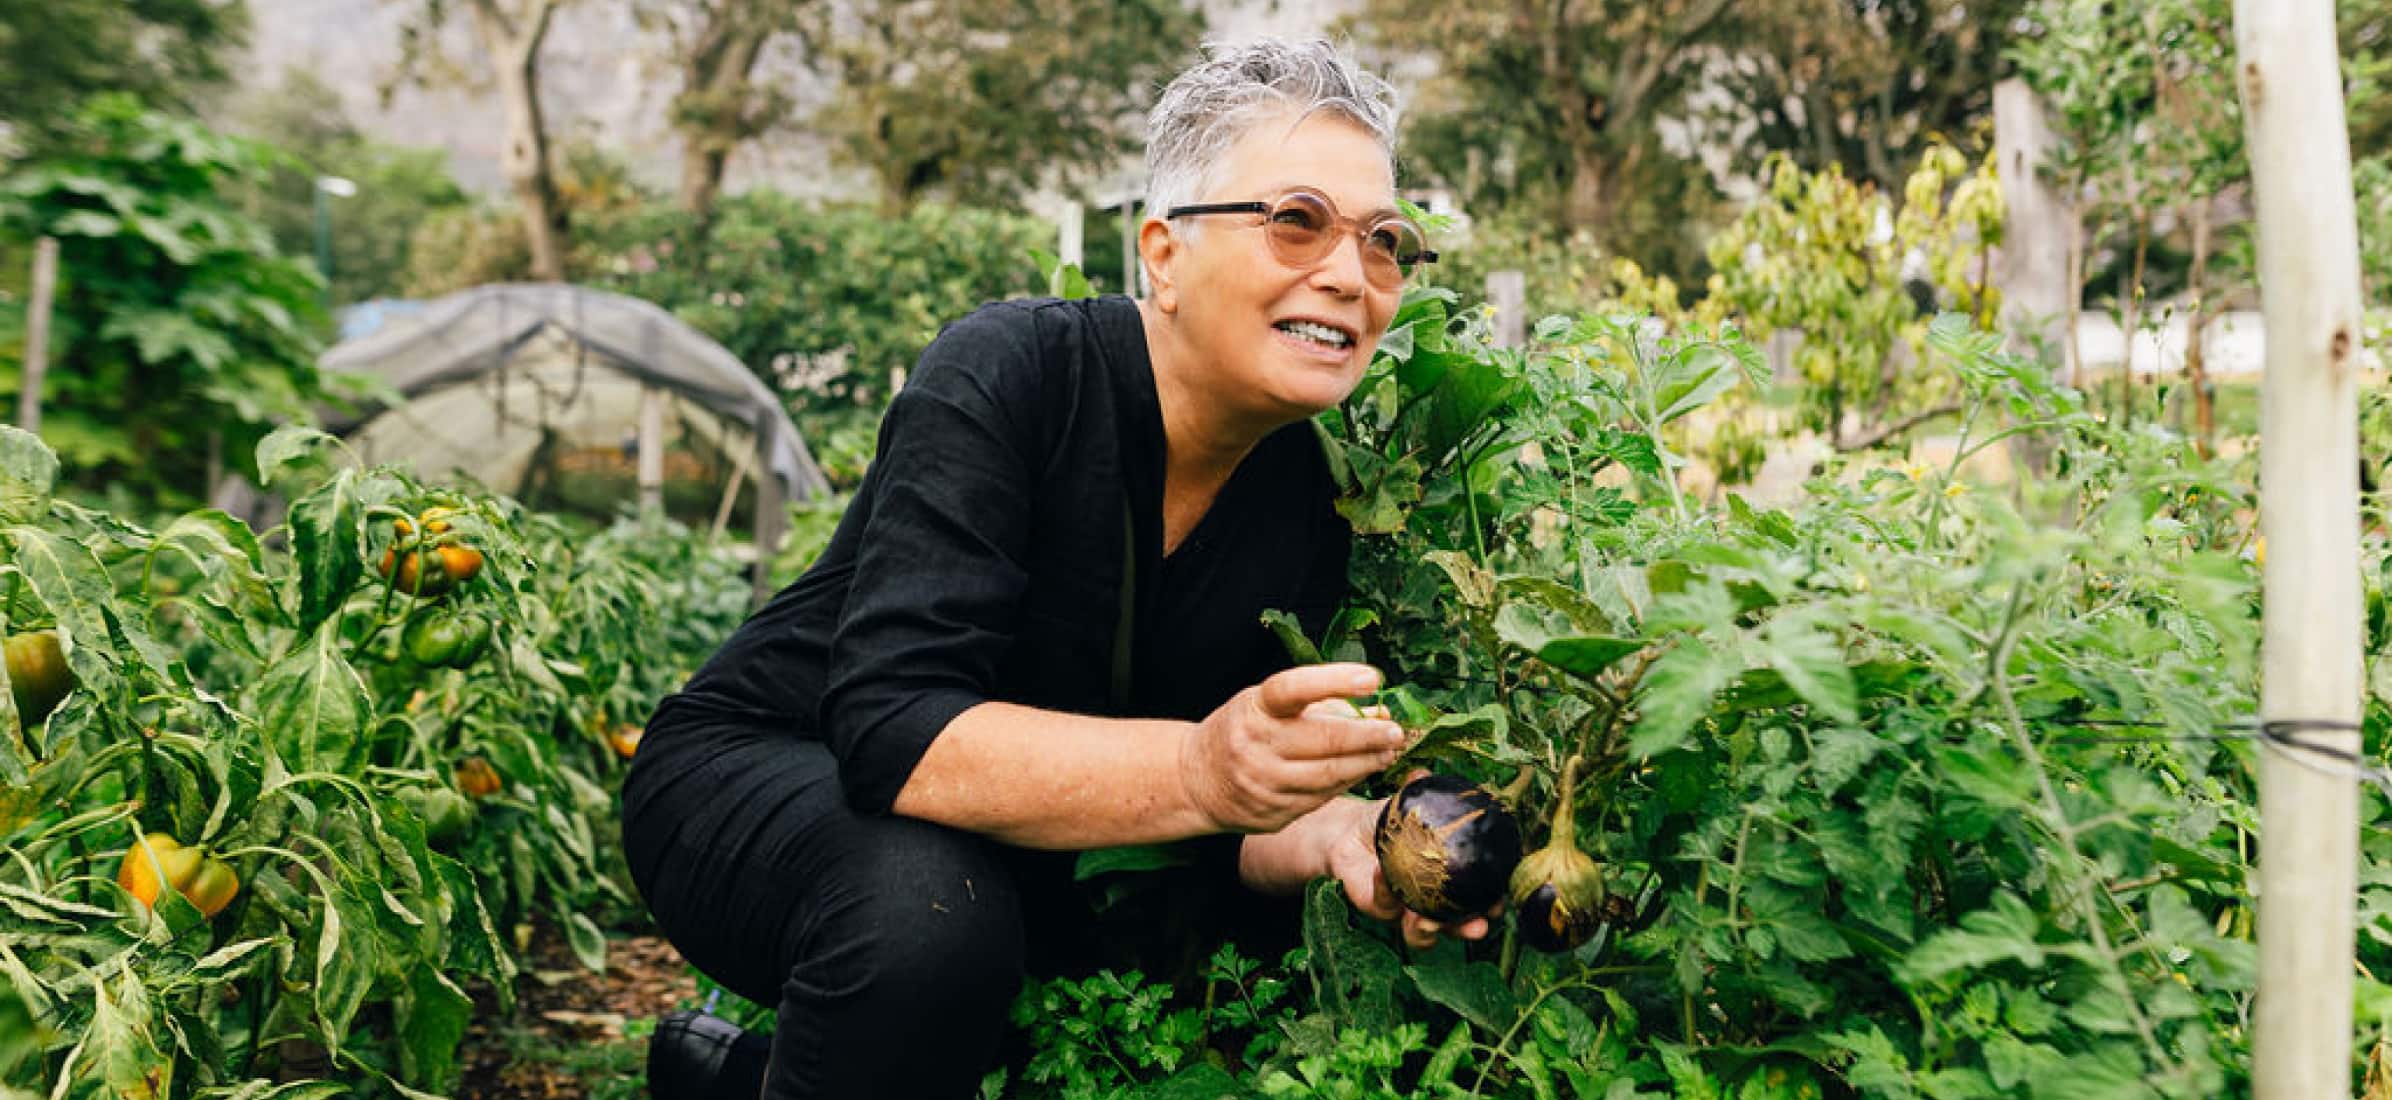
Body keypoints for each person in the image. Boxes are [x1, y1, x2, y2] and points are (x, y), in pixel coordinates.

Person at [620, 37, 1489, 1099]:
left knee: (1098, 930)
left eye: (1385, 241)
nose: (1349, 275)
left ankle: (731, 1074)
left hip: (999, 839)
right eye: (1296, 221)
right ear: (1163, 256)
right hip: (764, 771)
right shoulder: (1015, 370)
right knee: (928, 920)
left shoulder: (1309, 498)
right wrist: (1200, 770)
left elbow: (1221, 830)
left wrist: (1338, 828)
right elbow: (894, 730)